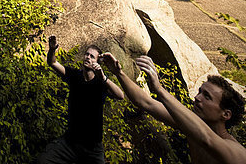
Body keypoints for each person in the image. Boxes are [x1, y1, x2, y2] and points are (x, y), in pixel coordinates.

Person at [103, 53, 246, 164]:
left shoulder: (238, 153)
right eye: (200, 92)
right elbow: (145, 102)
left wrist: (159, 89)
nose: (197, 98)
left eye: (207, 96)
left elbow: (206, 139)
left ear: (226, 114)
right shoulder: (191, 128)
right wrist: (118, 73)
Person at [37, 36, 124, 164]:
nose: (88, 57)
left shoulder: (101, 83)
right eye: (86, 54)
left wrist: (103, 77)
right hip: (70, 143)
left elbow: (120, 95)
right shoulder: (74, 76)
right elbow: (53, 63)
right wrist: (52, 50)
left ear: (97, 63)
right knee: (42, 161)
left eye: (92, 56)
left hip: (93, 148)